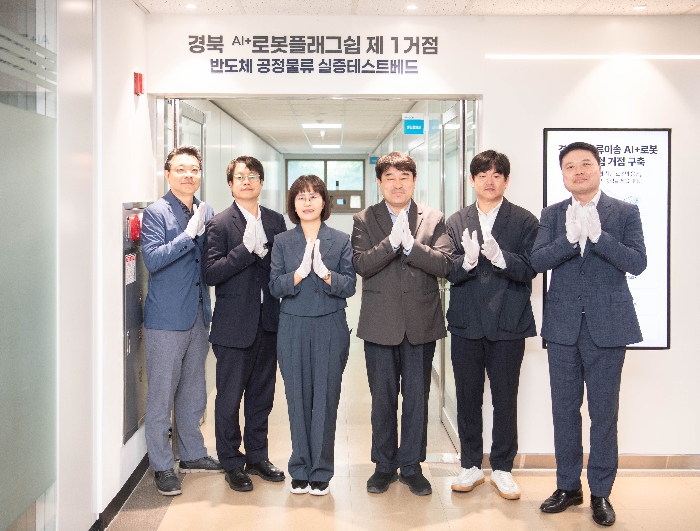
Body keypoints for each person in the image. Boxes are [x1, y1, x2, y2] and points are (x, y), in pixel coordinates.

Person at [531, 142, 647, 527]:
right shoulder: (552, 214)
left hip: (608, 326)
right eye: (570, 166)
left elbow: (638, 262)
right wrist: (568, 241)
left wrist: (599, 238)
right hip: (563, 326)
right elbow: (537, 260)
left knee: (603, 413)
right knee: (564, 411)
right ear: (562, 174)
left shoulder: (624, 212)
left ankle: (600, 492)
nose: (578, 171)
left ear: (599, 168)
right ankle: (568, 487)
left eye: (585, 164)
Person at [351, 151, 452, 497]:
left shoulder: (434, 218)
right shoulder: (364, 219)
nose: (397, 184)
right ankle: (383, 465)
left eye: (404, 177)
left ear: (414, 180)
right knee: (382, 399)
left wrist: (412, 248)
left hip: (421, 323)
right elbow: (362, 264)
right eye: (390, 178)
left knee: (417, 399)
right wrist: (391, 244)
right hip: (380, 324)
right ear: (379, 182)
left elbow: (445, 264)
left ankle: (411, 466)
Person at [445, 150, 539, 500]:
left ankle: (502, 467)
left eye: (497, 175)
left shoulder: (525, 220)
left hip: (508, 323)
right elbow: (448, 269)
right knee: (467, 397)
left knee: (505, 398)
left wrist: (502, 258)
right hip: (466, 323)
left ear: (506, 180)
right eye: (482, 175)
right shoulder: (457, 220)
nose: (489, 180)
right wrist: (467, 262)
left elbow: (531, 268)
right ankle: (470, 464)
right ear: (472, 180)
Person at [202, 156, 287, 492]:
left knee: (261, 397)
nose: (247, 181)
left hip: (269, 323)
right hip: (233, 328)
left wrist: (267, 255)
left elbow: (283, 267)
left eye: (253, 176)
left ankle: (257, 456)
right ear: (230, 184)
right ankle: (231, 461)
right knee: (228, 398)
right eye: (240, 177)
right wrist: (246, 251)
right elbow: (211, 273)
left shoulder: (275, 220)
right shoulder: (220, 224)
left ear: (261, 182)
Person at [141, 146, 222, 496]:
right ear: (168, 174)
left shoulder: (207, 210)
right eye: (181, 169)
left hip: (198, 316)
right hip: (165, 319)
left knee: (193, 391)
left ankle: (192, 454)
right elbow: (153, 259)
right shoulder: (156, 212)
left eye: (194, 169)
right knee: (161, 395)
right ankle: (162, 466)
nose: (188, 175)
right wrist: (187, 236)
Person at [269, 175, 356, 496]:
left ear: (324, 202)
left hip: (330, 326)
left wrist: (325, 274)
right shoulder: (282, 242)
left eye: (313, 196)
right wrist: (299, 274)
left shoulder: (340, 240)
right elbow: (274, 286)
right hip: (293, 326)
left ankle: (321, 470)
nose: (307, 203)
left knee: (326, 398)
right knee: (297, 398)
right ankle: (300, 467)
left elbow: (350, 285)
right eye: (301, 197)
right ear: (293, 205)